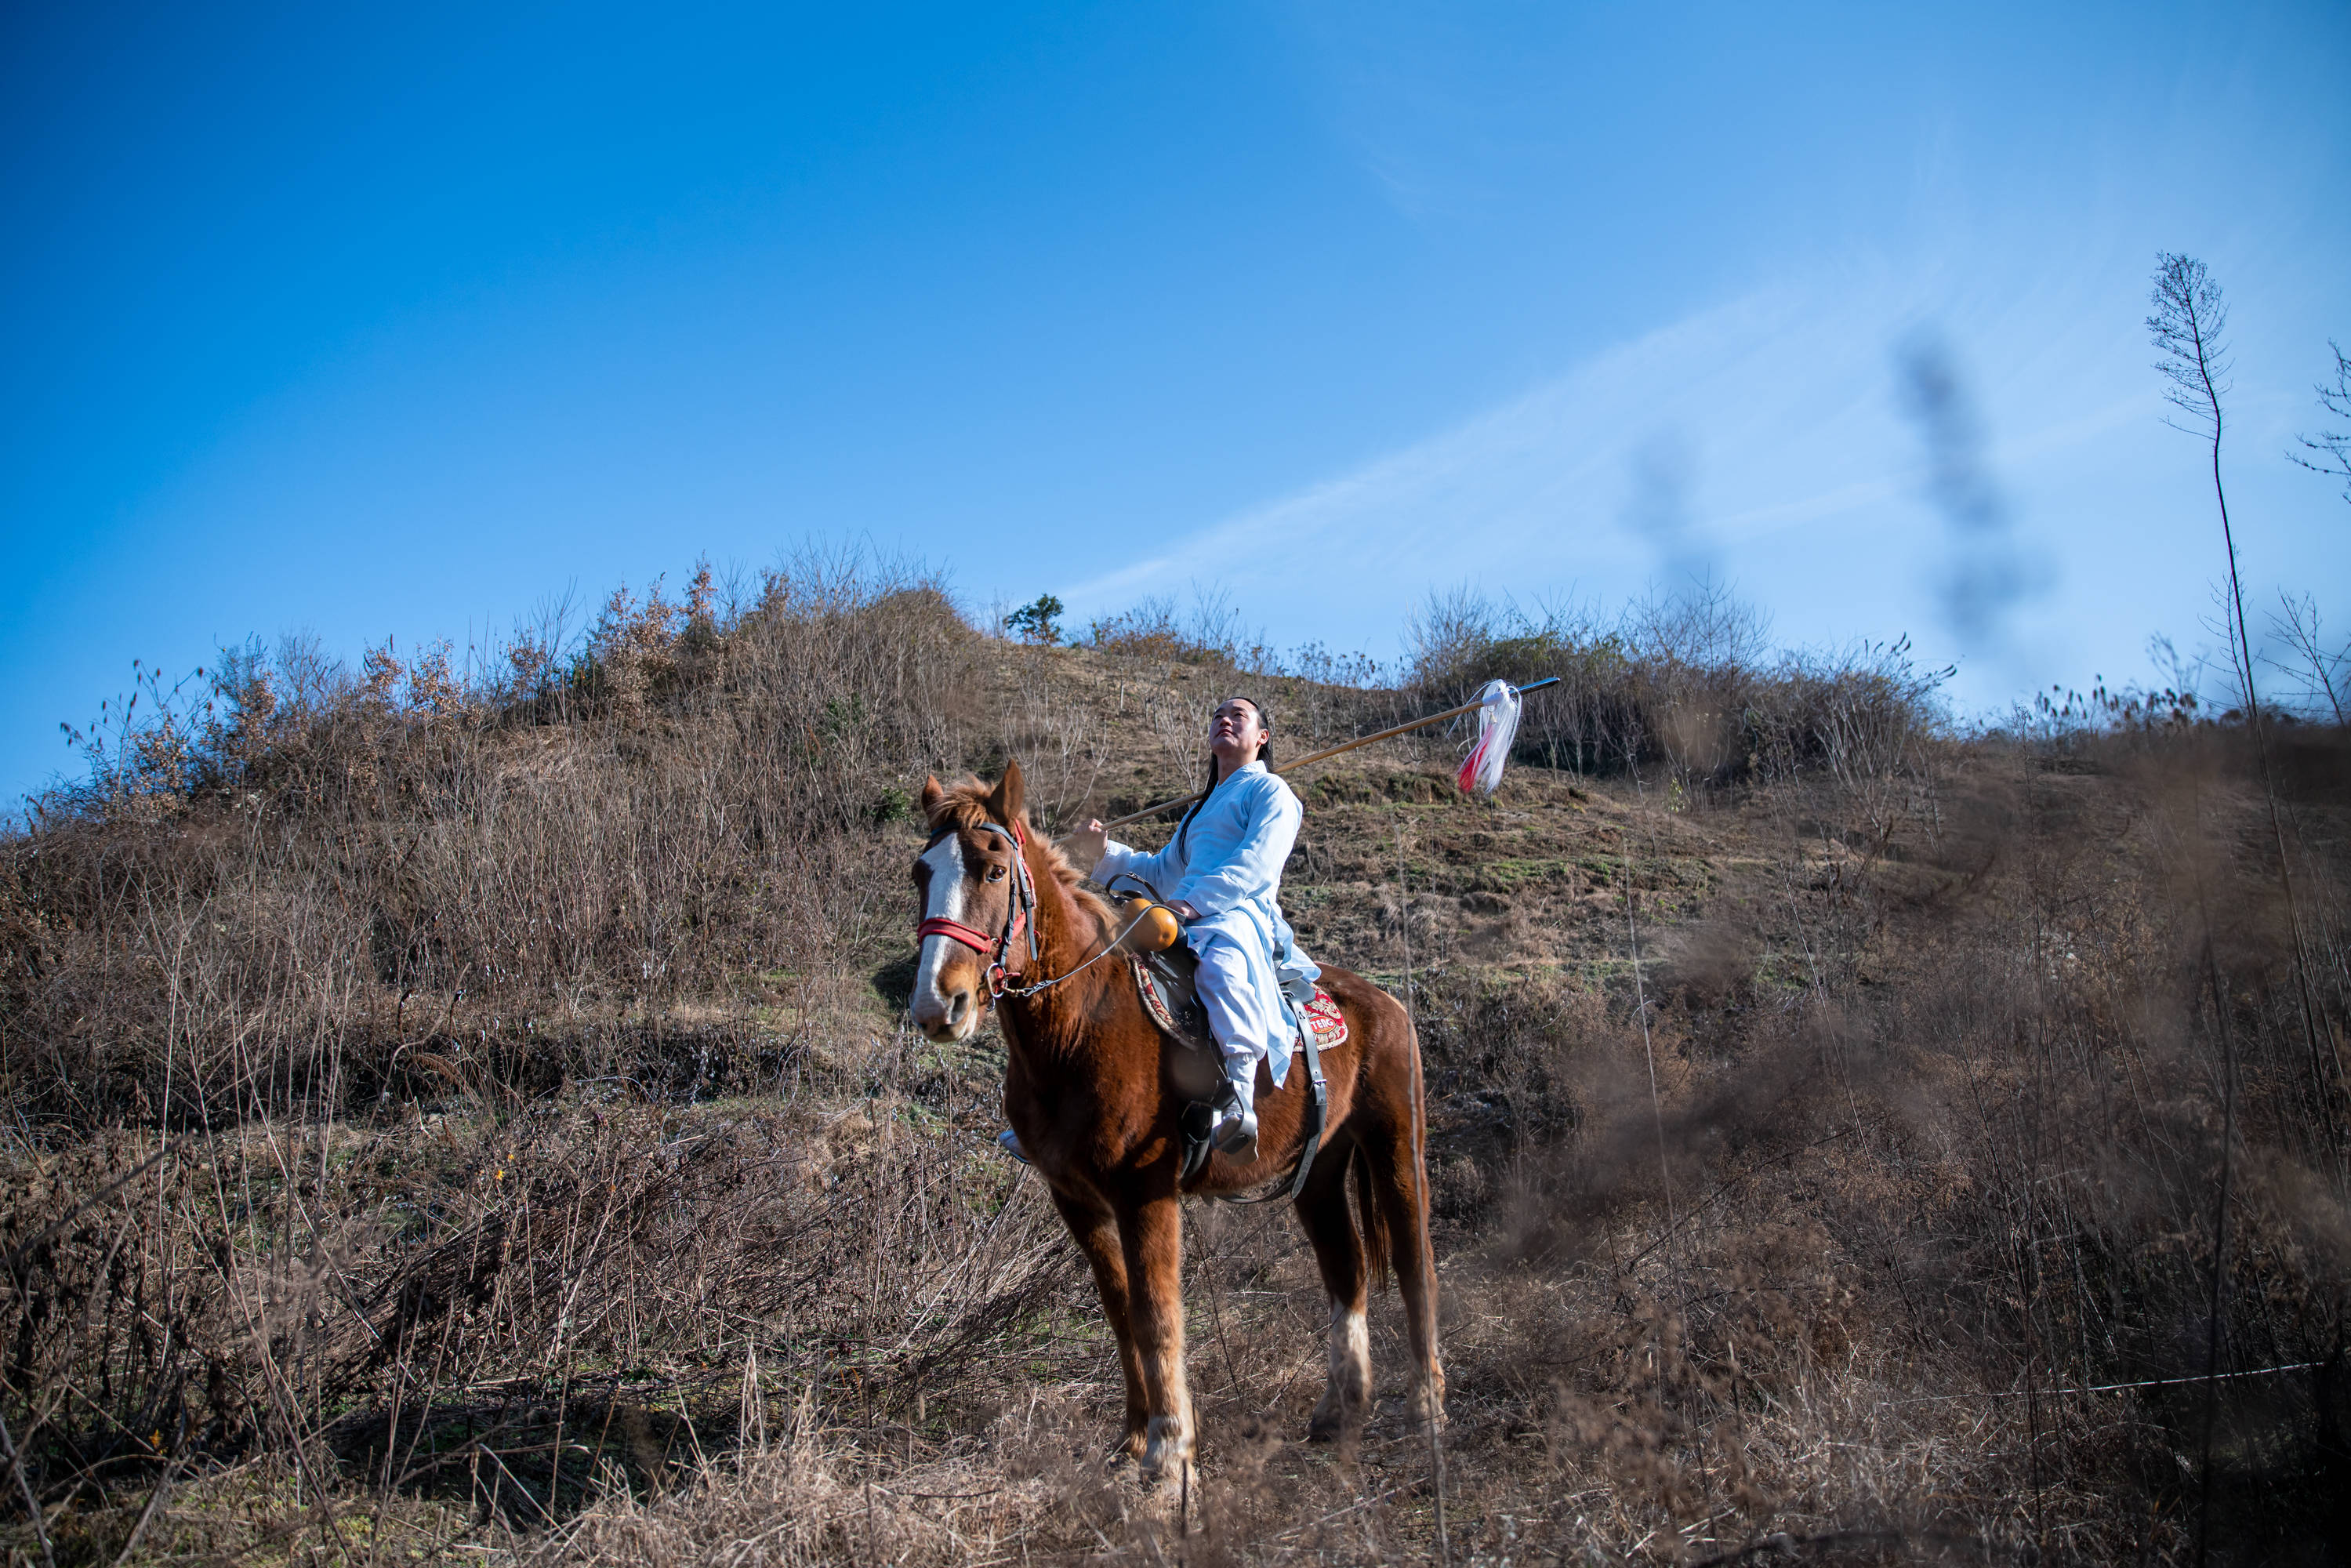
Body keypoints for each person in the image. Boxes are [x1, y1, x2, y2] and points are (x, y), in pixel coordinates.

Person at [1064, 695, 1320, 1160]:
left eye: (1238, 715)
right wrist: (1101, 854)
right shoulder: (1198, 814)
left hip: (1240, 913)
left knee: (1222, 965)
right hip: (1182, 913)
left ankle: (1239, 1095)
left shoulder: (1273, 794)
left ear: (1262, 738)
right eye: (1218, 715)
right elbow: (1161, 873)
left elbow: (1256, 865)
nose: (1224, 720)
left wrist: (1193, 903)